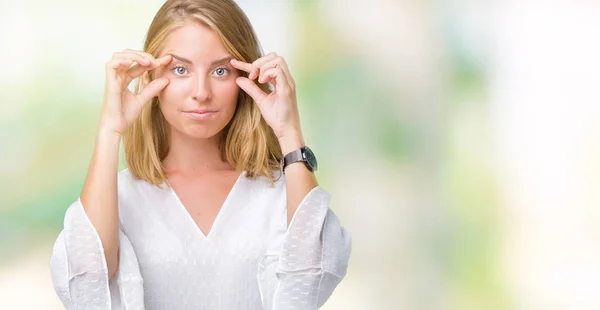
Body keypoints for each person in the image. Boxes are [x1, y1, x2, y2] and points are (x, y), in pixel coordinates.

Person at [49, 0, 351, 309]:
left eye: (220, 70)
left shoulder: (280, 191)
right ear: (151, 78)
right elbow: (87, 285)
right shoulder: (122, 198)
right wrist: (110, 131)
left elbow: (312, 281)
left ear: (246, 77)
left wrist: (289, 132)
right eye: (181, 69)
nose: (201, 92)